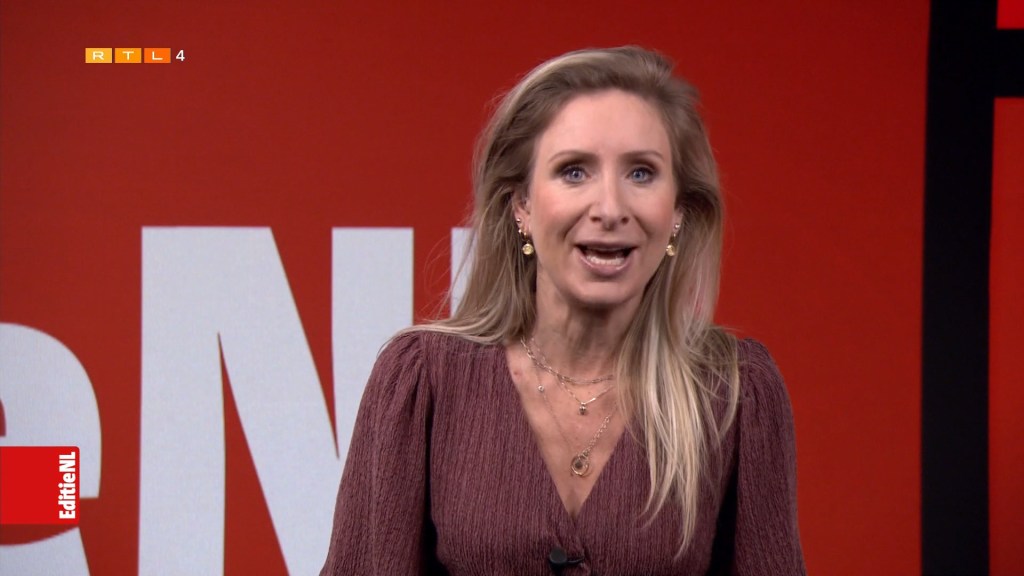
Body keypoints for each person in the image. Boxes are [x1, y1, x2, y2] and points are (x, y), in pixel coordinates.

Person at [320, 46, 805, 575]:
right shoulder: (423, 381)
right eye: (574, 172)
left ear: (678, 212)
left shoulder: (735, 394)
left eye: (641, 173)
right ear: (521, 206)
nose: (610, 209)